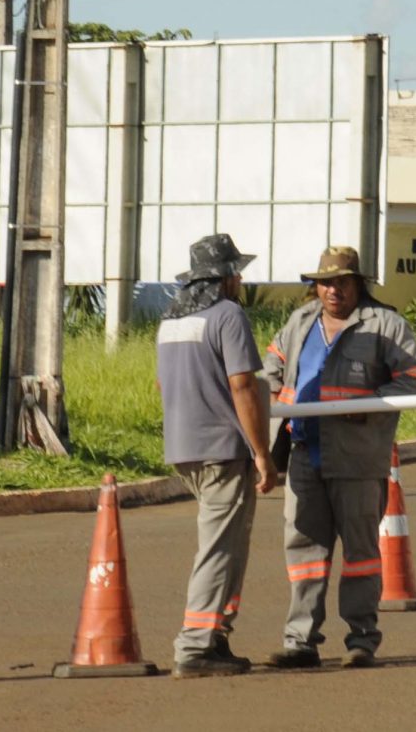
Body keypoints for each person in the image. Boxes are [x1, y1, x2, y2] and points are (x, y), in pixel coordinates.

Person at [261, 245, 416, 669]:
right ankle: (300, 641)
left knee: (360, 554)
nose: (333, 290)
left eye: (341, 282)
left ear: (358, 284)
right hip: (305, 455)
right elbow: (271, 372)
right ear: (315, 287)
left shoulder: (386, 325)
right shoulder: (299, 323)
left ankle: (361, 640)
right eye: (325, 282)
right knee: (303, 552)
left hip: (357, 459)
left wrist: (372, 402)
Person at [154, 232, 278, 679]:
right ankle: (194, 645)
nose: (240, 279)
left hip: (183, 447)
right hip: (223, 449)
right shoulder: (228, 316)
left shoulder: (170, 322)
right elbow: (242, 385)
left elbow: (163, 386)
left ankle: (216, 635)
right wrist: (262, 453)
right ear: (225, 278)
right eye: (236, 272)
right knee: (219, 548)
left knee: (230, 545)